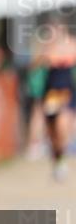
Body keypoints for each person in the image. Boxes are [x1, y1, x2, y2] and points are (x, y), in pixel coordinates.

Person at [30, 17, 76, 182]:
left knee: (62, 126)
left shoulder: (72, 44)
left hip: (67, 92)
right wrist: (44, 56)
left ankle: (62, 157)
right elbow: (33, 66)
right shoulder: (46, 48)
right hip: (52, 94)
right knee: (53, 131)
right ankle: (58, 160)